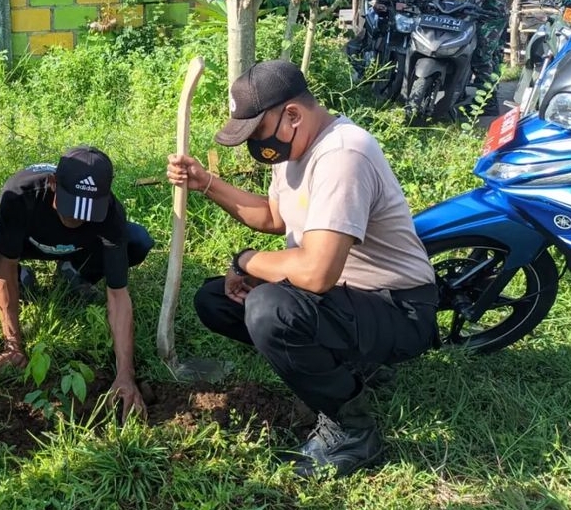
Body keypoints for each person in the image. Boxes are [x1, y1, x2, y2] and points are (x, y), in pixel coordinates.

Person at [165, 60, 438, 478]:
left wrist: (248, 261)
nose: (258, 146)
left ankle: (352, 430)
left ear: (291, 114)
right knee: (216, 299)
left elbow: (315, 273)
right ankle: (347, 367)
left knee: (268, 309)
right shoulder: (294, 148)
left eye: (258, 133)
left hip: (395, 306)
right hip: (342, 297)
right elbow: (276, 217)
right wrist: (206, 182)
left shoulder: (343, 155)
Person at [0, 146, 154, 420]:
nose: (76, 219)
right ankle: (25, 281)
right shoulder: (21, 194)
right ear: (52, 184)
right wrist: (13, 346)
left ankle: (74, 273)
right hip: (27, 244)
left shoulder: (110, 212)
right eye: (70, 207)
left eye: (88, 212)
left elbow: (118, 296)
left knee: (137, 240)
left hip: (79, 249)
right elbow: (5, 268)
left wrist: (125, 375)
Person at [467, 0, 511, 115]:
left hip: (488, 17)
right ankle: (488, 97)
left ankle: (487, 103)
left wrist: (466, 9)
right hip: (492, 15)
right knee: (493, 57)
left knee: (481, 57)